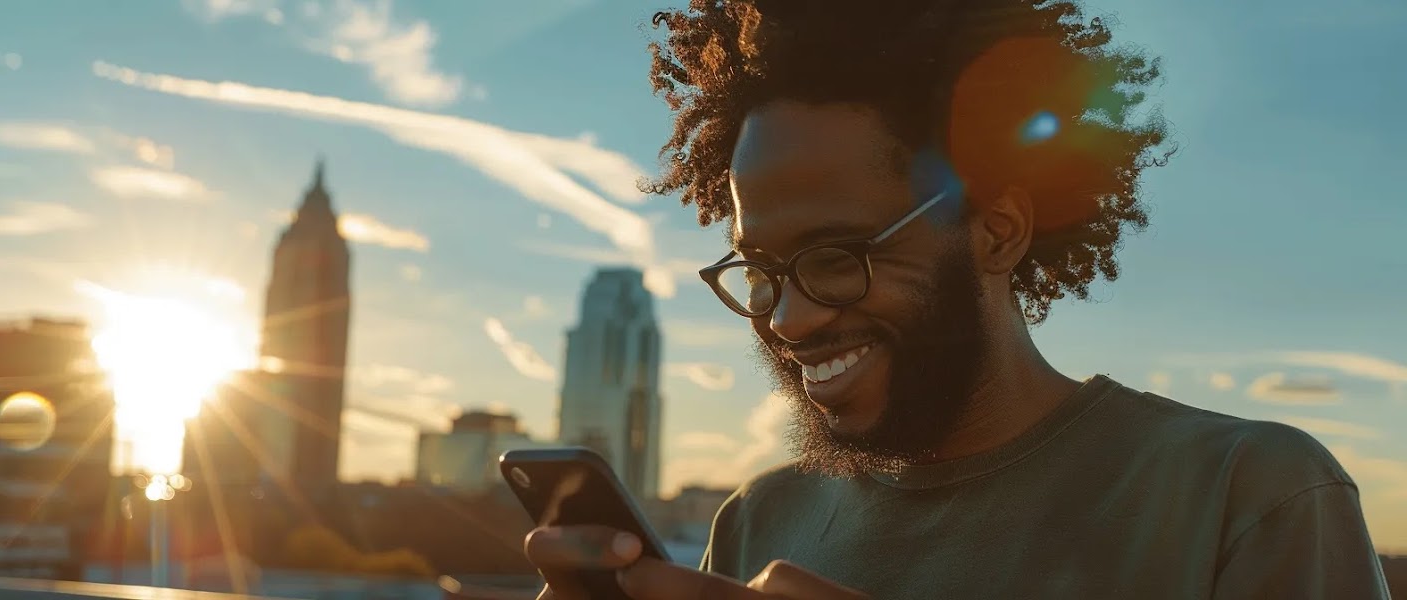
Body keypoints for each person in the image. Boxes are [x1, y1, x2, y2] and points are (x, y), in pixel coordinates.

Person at [523, 0, 1394, 598]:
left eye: (836, 255)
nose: (788, 318)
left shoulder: (1246, 495)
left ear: (997, 230)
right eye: (759, 269)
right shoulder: (759, 520)